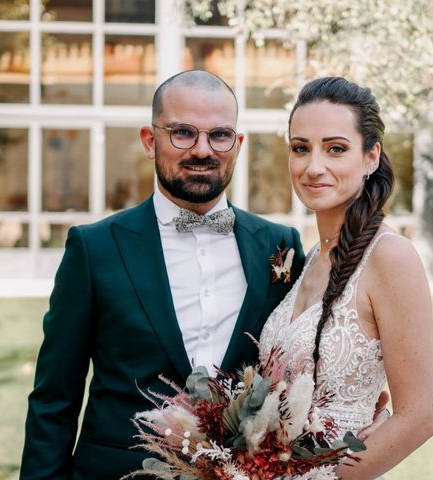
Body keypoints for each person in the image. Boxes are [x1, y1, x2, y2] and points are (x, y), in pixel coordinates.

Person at [20, 70, 305, 480]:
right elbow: (54, 400)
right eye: (183, 133)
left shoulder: (280, 246)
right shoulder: (94, 248)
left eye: (219, 135)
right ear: (150, 141)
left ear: (238, 145)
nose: (203, 149)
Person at [259, 77, 433, 479]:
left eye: (335, 149)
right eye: (300, 148)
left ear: (371, 156)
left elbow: (420, 417)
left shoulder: (390, 256)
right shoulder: (307, 258)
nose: (313, 167)